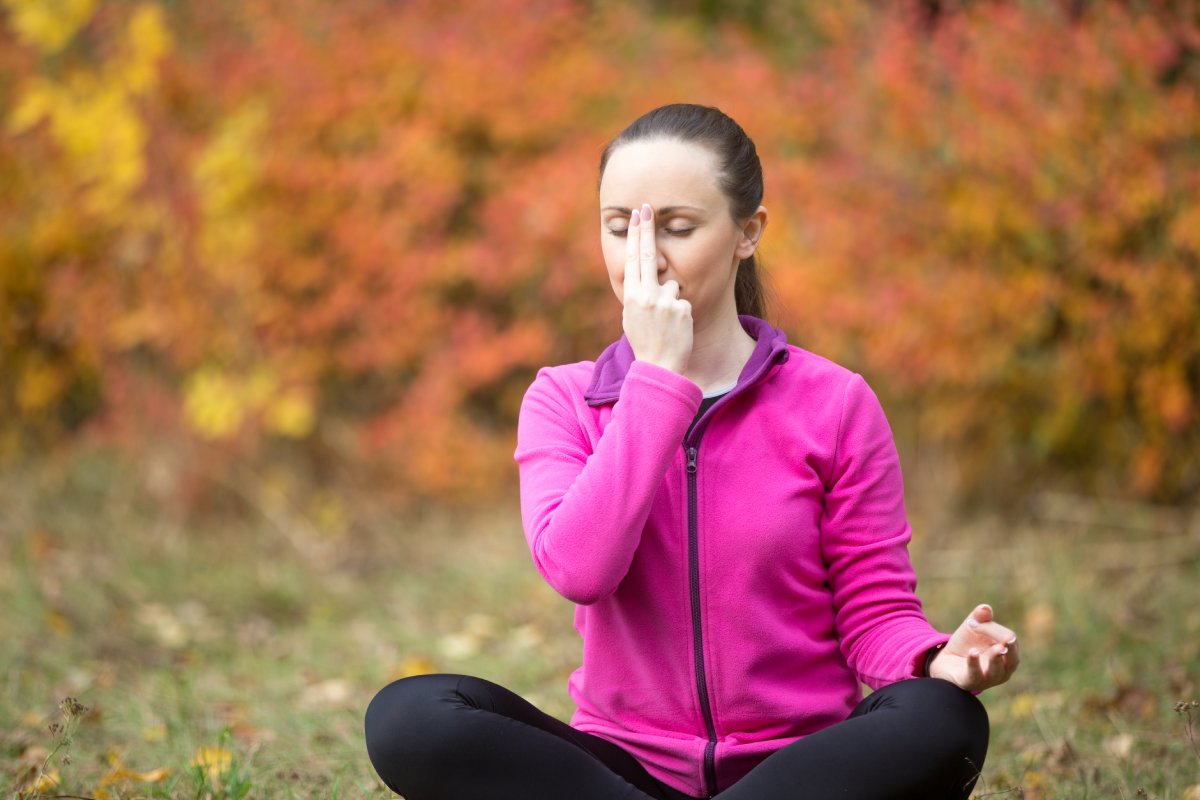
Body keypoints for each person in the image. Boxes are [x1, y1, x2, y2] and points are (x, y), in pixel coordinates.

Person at [364, 103, 1020, 800]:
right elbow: (579, 570)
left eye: (677, 227)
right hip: (624, 775)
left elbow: (875, 613)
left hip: (799, 774)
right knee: (409, 717)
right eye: (621, 228)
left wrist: (937, 659)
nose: (644, 257)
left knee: (942, 718)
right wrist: (654, 384)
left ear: (747, 233)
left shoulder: (835, 401)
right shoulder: (563, 400)